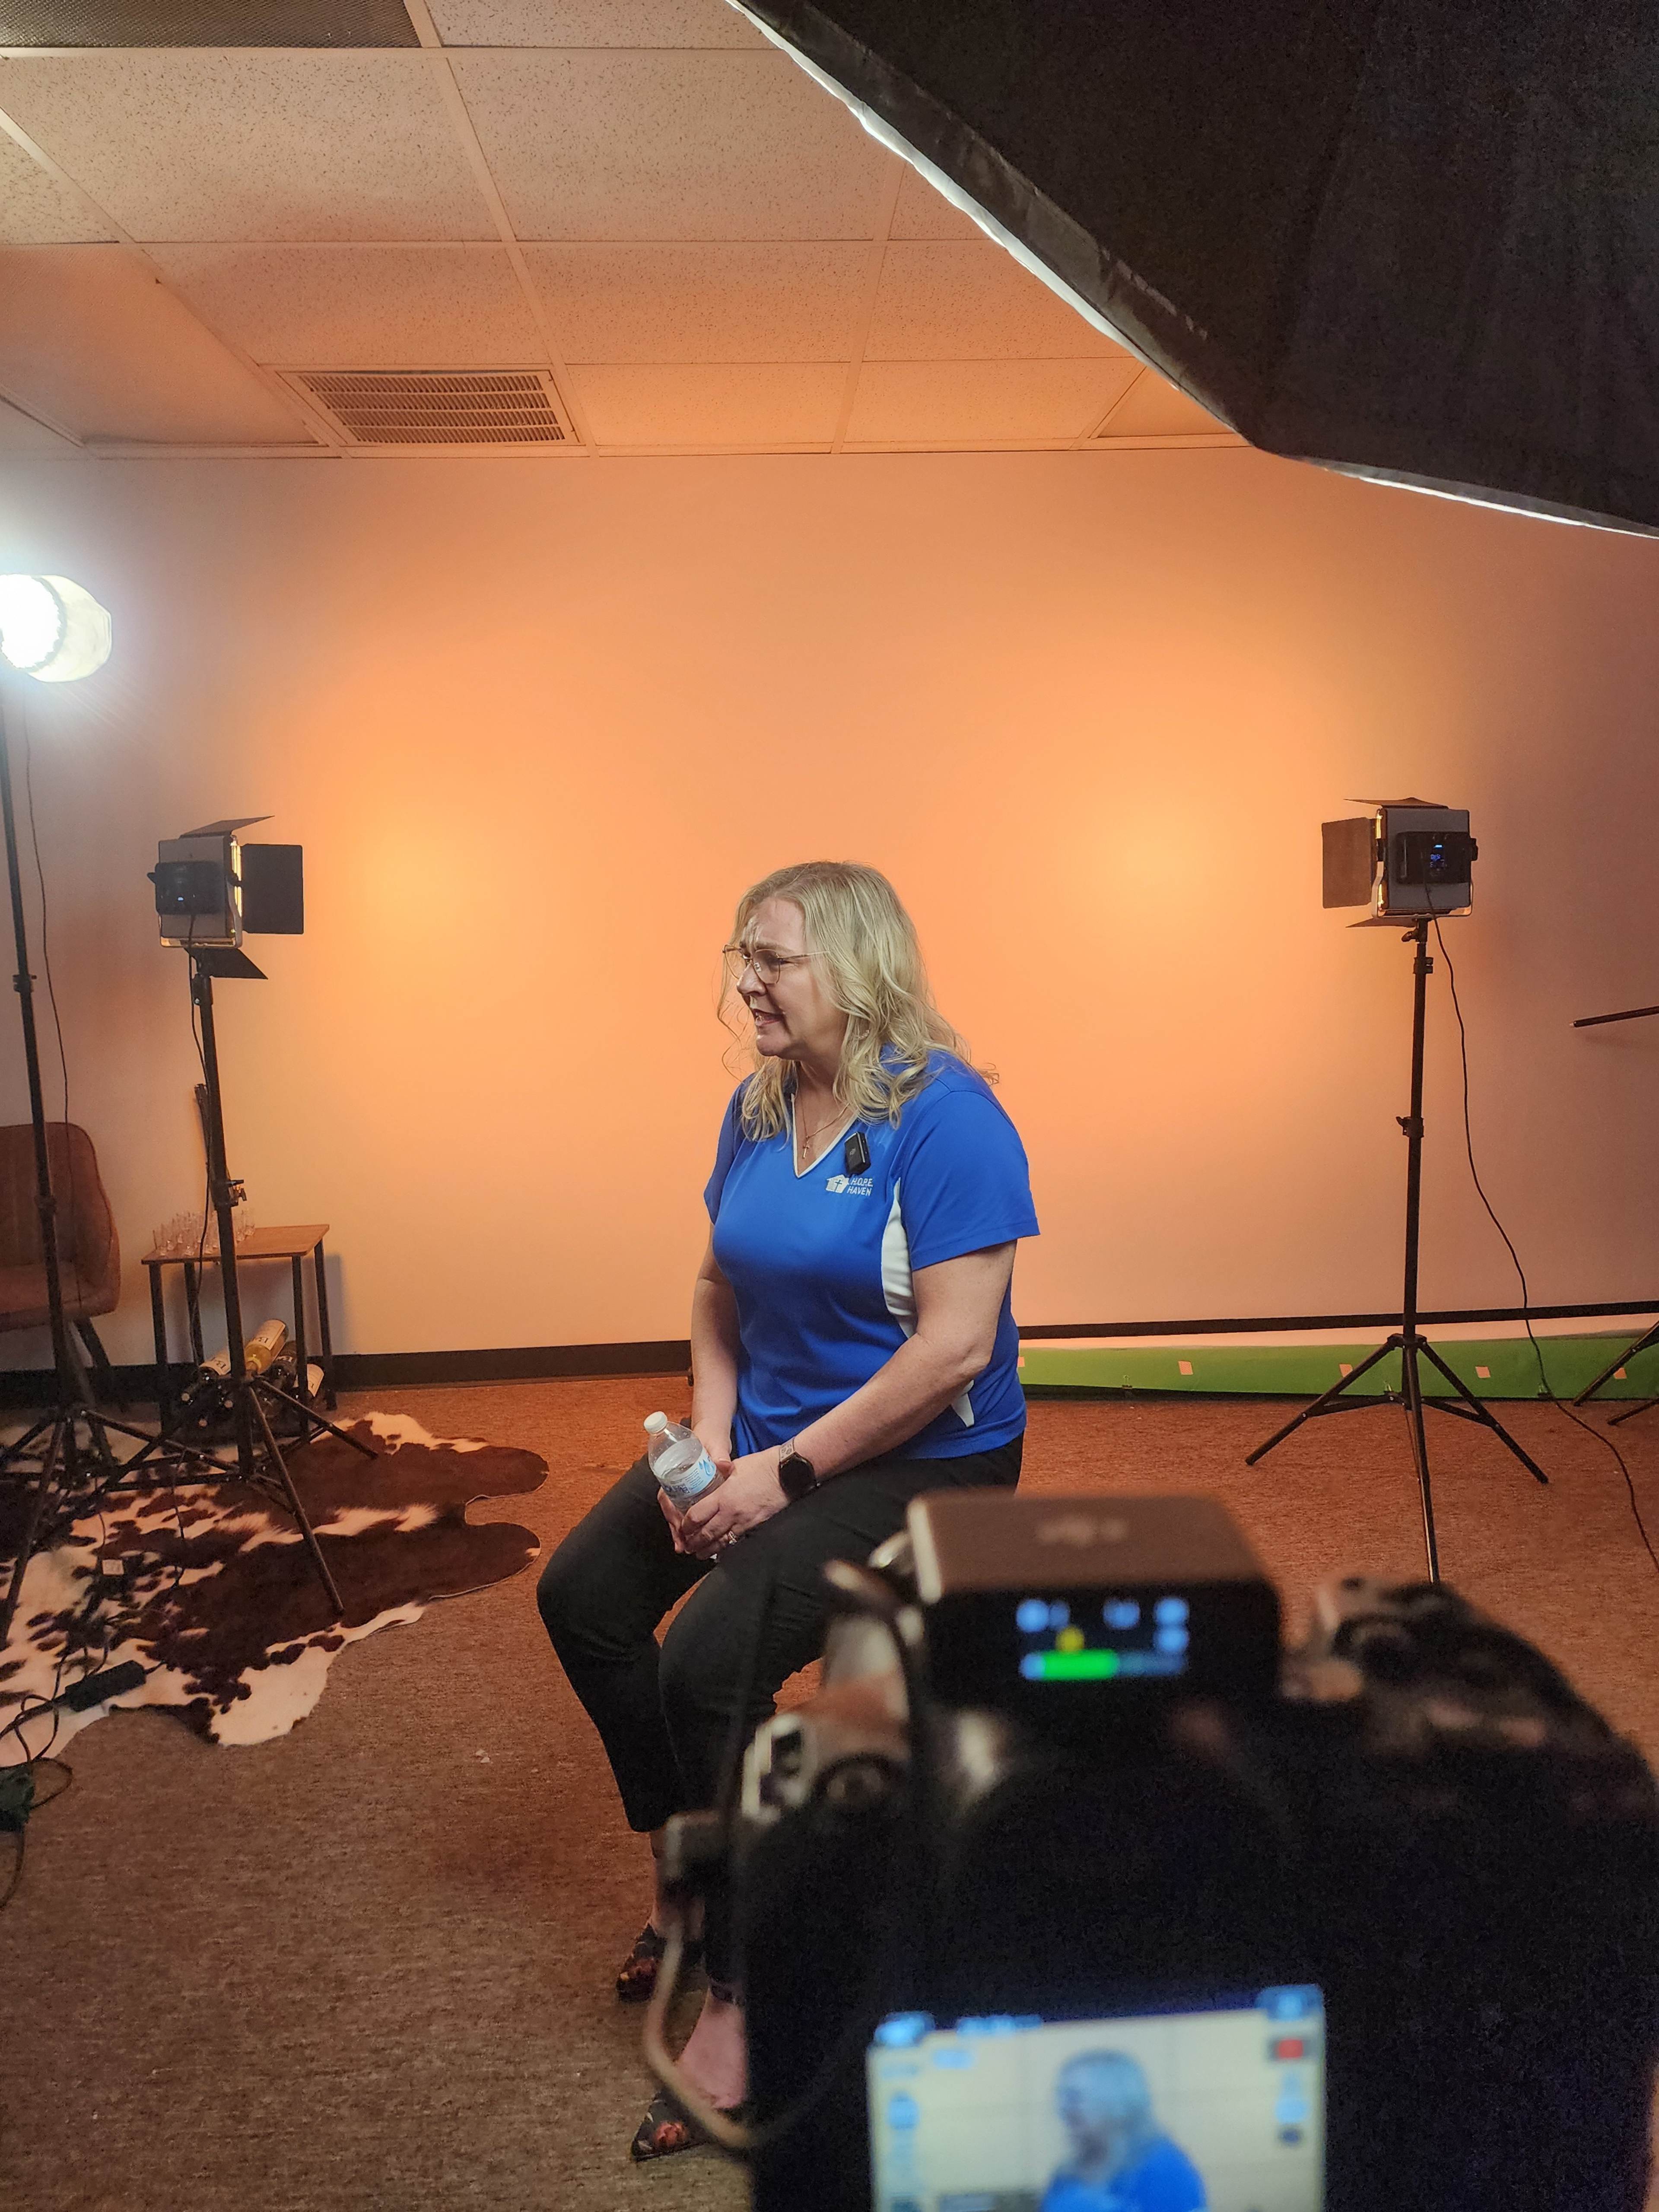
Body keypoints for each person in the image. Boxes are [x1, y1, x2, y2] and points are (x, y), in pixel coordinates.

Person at [536, 860, 1039, 2161]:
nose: (745, 980)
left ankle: (748, 1993)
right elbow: (714, 1283)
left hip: (918, 1457)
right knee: (582, 1594)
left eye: (773, 957)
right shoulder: (758, 1104)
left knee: (708, 1664)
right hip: (760, 1438)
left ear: (858, 969)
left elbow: (951, 1351)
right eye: (739, 955)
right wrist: (709, 1435)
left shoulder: (949, 1117)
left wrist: (781, 1476)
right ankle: (690, 1874)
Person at [1042, 2052, 1207, 2212]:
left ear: (1116, 2104)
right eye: (1061, 2097)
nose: (1062, 2109)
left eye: (1074, 2097)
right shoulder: (1067, 2174)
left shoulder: (1165, 2172)